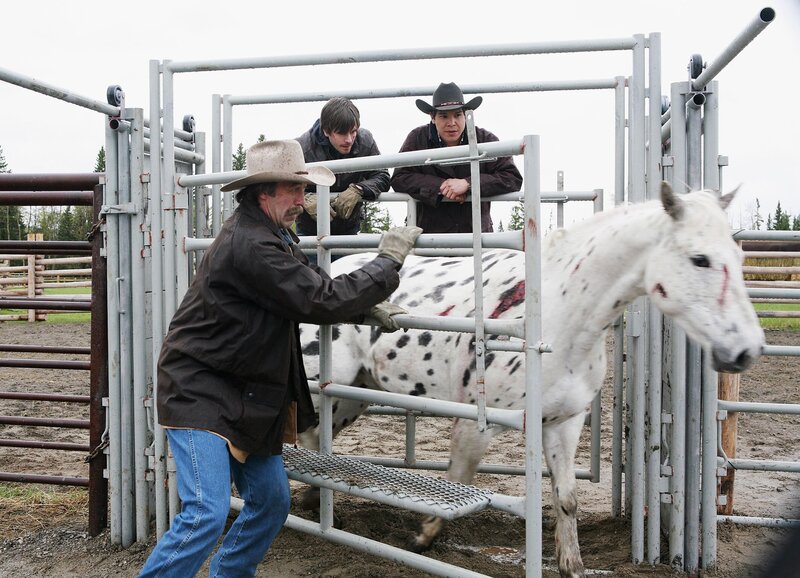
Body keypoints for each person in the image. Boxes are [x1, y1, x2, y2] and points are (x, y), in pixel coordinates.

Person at [137, 139, 421, 578]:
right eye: (293, 189)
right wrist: (386, 262)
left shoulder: (275, 234)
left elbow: (306, 288)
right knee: (205, 514)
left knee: (271, 501)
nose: (301, 199)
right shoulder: (253, 244)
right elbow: (317, 298)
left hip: (242, 389)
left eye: (302, 188)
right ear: (264, 192)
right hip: (199, 388)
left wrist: (362, 307)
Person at [390, 82, 523, 233]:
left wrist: (468, 183)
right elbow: (400, 177)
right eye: (444, 116)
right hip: (429, 235)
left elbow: (512, 177)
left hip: (476, 233)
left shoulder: (486, 139)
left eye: (458, 115)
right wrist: (441, 186)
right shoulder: (417, 138)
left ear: (466, 115)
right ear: (432, 117)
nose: (452, 123)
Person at [295, 97, 390, 239]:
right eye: (342, 133)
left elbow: (382, 175)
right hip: (310, 232)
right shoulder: (302, 148)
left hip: (349, 229)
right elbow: (284, 185)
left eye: (353, 131)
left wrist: (359, 189)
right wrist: (304, 199)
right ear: (326, 131)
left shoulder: (365, 141)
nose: (349, 139)